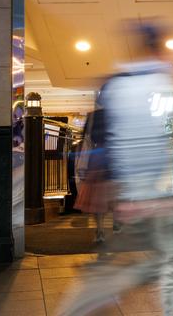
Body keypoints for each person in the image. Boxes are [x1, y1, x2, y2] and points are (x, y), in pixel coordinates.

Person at [58, 21, 173, 316]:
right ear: (154, 49)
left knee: (170, 259)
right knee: (161, 262)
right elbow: (141, 140)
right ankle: (74, 308)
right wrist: (152, 193)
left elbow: (144, 138)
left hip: (140, 192)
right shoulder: (148, 84)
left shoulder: (124, 82)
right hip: (143, 193)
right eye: (162, 47)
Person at [74, 103, 111, 243]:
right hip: (111, 160)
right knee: (109, 197)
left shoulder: (91, 117)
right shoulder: (114, 116)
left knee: (95, 199)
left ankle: (100, 229)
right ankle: (113, 224)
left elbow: (85, 138)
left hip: (95, 160)